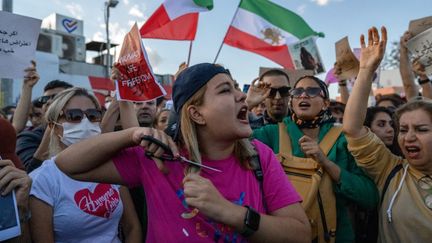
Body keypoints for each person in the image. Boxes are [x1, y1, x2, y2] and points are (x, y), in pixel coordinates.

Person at [55, 63, 311, 242]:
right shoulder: (159, 158)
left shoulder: (259, 156)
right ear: (196, 113)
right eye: (225, 90)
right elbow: (68, 164)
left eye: (236, 88)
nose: (241, 96)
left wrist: (228, 212)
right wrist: (131, 135)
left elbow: (300, 234)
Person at [251, 75, 379, 242]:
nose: (304, 95)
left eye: (312, 91)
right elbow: (230, 144)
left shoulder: (343, 139)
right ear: (292, 101)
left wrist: (326, 163)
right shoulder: (270, 133)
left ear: (326, 103)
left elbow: (369, 197)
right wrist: (248, 104)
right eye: (297, 92)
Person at [343, 26, 432, 242]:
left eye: (421, 130)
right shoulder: (390, 170)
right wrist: (365, 70)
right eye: (403, 129)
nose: (408, 137)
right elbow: (353, 128)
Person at [28, 87, 141, 243]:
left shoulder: (112, 167)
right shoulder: (42, 180)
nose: (85, 122)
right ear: (54, 127)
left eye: (93, 115)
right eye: (74, 116)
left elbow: (132, 227)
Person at [15, 80, 73, 172]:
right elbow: (30, 176)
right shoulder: (28, 137)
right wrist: (54, 121)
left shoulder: (89, 133)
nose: (49, 102)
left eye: (57, 97)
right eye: (45, 99)